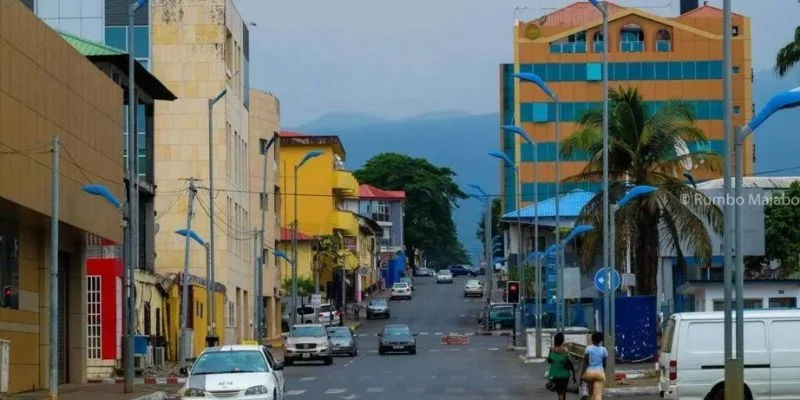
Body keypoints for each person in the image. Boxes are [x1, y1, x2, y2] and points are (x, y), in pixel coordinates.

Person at [547, 332, 575, 400]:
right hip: (565, 374)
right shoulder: (565, 350)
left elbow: (549, 361)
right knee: (563, 391)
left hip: (555, 373)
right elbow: (569, 362)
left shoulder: (551, 350)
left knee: (559, 392)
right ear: (562, 340)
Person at [581, 332, 608, 400]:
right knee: (598, 394)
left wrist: (582, 374)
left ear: (592, 339)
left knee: (591, 393)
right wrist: (603, 371)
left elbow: (585, 363)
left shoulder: (588, 349)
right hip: (600, 373)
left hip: (589, 372)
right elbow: (604, 363)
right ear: (601, 340)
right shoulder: (604, 350)